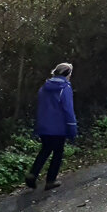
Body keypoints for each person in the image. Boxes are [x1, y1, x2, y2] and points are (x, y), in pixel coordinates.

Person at [26, 62, 79, 190]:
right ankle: (50, 180)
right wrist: (72, 127)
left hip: (44, 125)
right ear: (68, 74)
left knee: (45, 149)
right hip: (58, 127)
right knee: (58, 152)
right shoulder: (64, 88)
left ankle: (32, 174)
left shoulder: (44, 87)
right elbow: (68, 109)